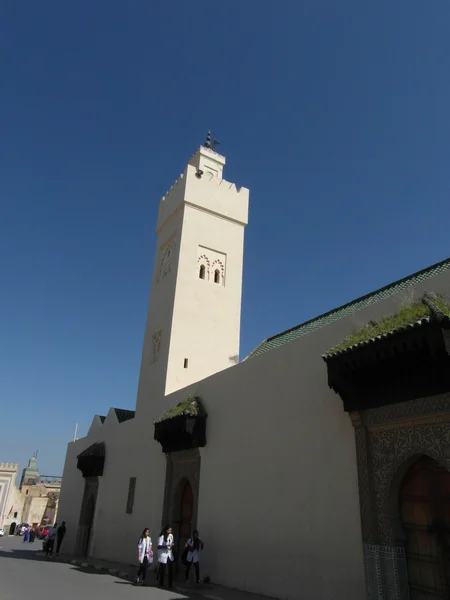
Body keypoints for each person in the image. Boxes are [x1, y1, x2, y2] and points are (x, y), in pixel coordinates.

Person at [157, 525, 175, 590]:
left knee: (171, 570)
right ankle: (161, 583)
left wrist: (172, 544)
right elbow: (159, 546)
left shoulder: (171, 536)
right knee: (163, 570)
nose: (170, 531)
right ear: (165, 530)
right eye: (169, 530)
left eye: (170, 530)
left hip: (169, 554)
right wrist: (166, 545)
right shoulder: (161, 537)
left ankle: (170, 585)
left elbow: (172, 542)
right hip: (163, 554)